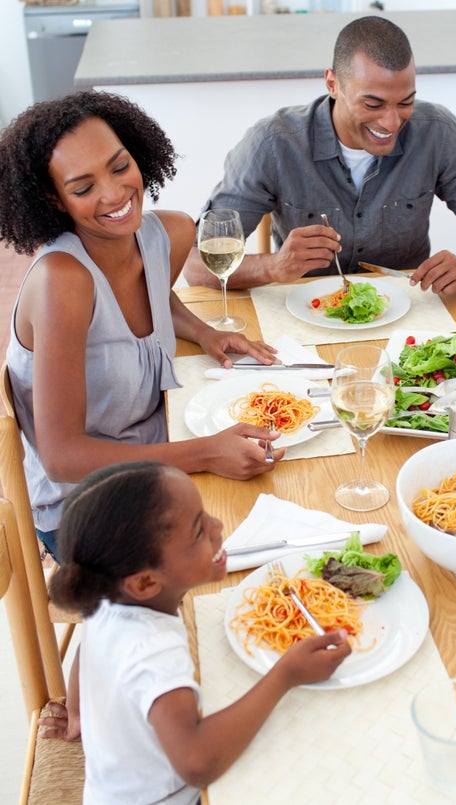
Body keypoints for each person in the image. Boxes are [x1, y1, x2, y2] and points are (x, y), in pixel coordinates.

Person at [0, 91, 286, 561]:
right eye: (83, 186)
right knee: (235, 555)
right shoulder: (62, 283)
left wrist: (203, 330)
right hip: (85, 505)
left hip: (159, 444)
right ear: (54, 198)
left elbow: (152, 293)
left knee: (279, 489)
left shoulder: (169, 235)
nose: (113, 194)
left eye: (118, 166)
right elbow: (63, 458)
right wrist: (203, 453)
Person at [39, 461, 351, 804]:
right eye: (199, 531)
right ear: (145, 582)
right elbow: (197, 763)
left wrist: (80, 712)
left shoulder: (104, 598)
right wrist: (285, 675)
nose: (218, 527)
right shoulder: (153, 650)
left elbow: (85, 655)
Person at [183, 15, 456, 296]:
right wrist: (273, 266)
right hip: (302, 318)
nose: (391, 122)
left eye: (405, 102)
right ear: (332, 84)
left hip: (407, 320)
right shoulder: (272, 144)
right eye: (372, 104)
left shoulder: (439, 134)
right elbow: (195, 262)